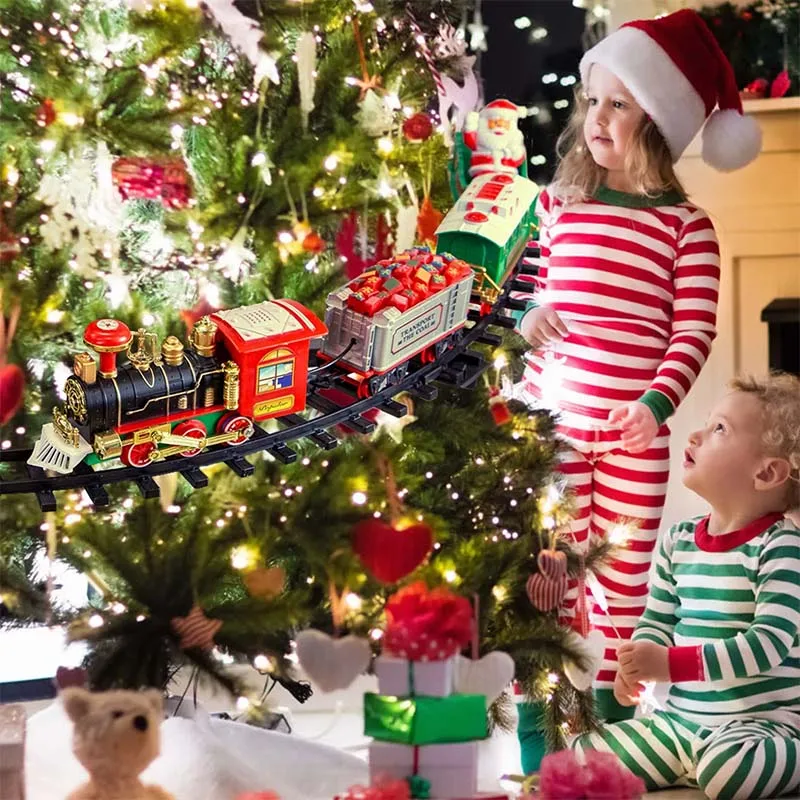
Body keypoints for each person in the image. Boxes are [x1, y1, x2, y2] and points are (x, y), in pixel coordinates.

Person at [512, 8, 763, 770]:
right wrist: (531, 315)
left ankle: (618, 731)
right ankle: (538, 736)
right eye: (595, 100)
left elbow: (692, 335)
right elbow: (522, 294)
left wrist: (655, 407)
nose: (598, 117)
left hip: (632, 439)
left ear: (657, 125)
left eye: (620, 104)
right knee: (548, 576)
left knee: (624, 584)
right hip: (553, 422)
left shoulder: (687, 227)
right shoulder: (557, 205)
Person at [574, 372, 800, 800]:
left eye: (719, 429)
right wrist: (636, 665)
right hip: (681, 723)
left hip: (757, 725)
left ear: (767, 472)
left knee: (729, 775)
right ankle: (691, 761)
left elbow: (767, 644)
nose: (695, 435)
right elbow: (658, 619)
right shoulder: (679, 540)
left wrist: (670, 665)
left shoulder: (782, 546)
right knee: (583, 757)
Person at [463, 99, 527, 179]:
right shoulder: (481, 138)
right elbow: (470, 142)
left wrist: (516, 152)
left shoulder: (513, 140)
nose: (499, 126)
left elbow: (518, 160)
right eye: (494, 122)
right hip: (482, 170)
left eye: (505, 124)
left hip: (508, 172)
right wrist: (470, 126)